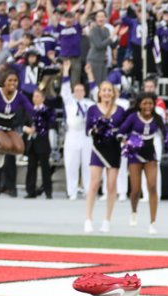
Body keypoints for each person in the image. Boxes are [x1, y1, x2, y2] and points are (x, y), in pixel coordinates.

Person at [119, 92, 166, 235]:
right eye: (145, 103)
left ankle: (153, 222)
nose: (147, 106)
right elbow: (121, 132)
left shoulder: (157, 118)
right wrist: (125, 141)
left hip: (150, 153)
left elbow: (166, 133)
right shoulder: (133, 117)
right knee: (135, 190)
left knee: (152, 186)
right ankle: (134, 211)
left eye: (150, 103)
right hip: (135, 154)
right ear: (139, 105)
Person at [84, 81, 126, 234]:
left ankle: (107, 220)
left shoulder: (120, 110)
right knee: (94, 183)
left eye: (110, 90)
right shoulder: (93, 109)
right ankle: (88, 219)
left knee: (111, 185)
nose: (107, 93)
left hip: (114, 149)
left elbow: (124, 129)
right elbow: (87, 129)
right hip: (98, 149)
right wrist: (96, 131)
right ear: (99, 93)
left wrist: (123, 138)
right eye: (104, 90)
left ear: (113, 93)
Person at [60, 59, 94, 201]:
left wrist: (90, 74)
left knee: (87, 164)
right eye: (76, 90)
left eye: (81, 90)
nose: (79, 92)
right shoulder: (69, 102)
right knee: (71, 164)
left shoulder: (89, 103)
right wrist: (66, 71)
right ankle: (72, 191)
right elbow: (64, 90)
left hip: (86, 135)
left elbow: (97, 93)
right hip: (73, 134)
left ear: (84, 91)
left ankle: (88, 191)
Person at [23, 90, 54, 199]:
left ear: (43, 98)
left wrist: (38, 128)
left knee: (45, 168)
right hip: (32, 142)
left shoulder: (48, 110)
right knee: (31, 167)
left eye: (37, 96)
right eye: (34, 96)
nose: (35, 98)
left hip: (43, 142)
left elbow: (50, 123)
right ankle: (31, 190)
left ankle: (48, 191)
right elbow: (23, 123)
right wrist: (26, 129)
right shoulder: (29, 110)